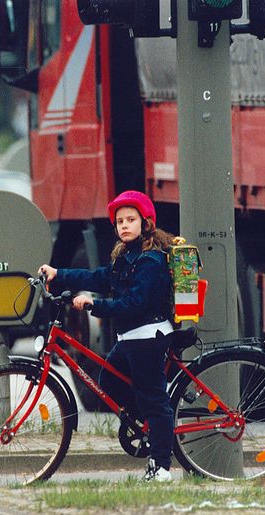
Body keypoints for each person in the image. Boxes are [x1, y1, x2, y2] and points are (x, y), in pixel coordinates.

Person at [39, 190, 177, 483]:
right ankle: (148, 425)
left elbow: (135, 303)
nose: (124, 225)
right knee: (108, 381)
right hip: (129, 338)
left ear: (146, 223)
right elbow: (96, 278)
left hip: (149, 336)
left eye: (131, 219)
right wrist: (57, 273)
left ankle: (162, 465)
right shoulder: (124, 256)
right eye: (120, 221)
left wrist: (95, 305)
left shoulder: (151, 261)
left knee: (153, 398)